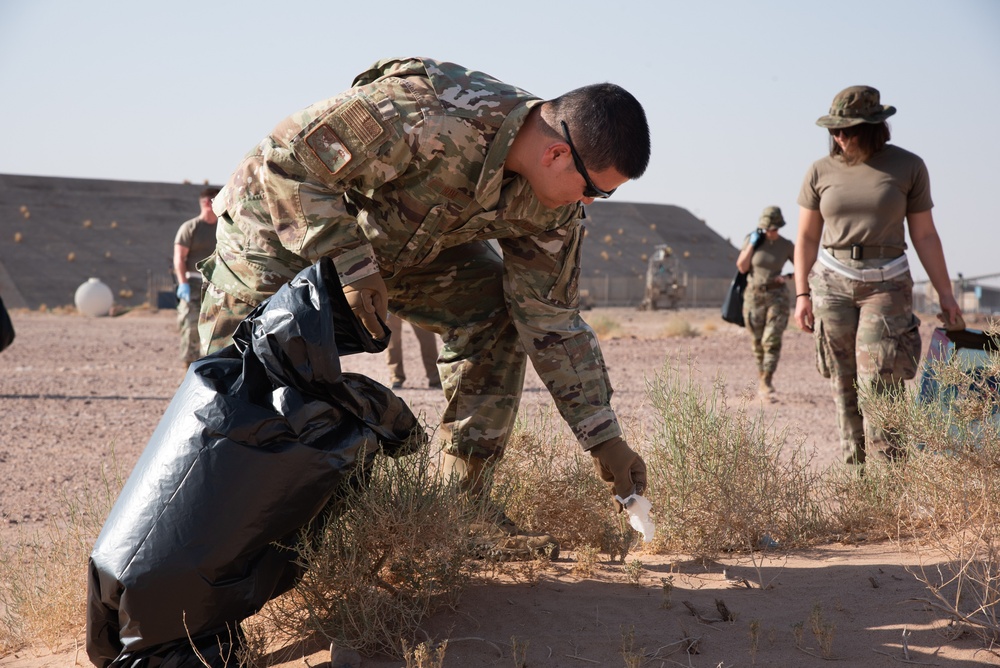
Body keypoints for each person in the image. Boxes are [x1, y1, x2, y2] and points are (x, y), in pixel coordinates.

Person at [197, 57, 650, 547]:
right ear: (557, 154)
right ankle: (204, 537)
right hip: (277, 227)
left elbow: (550, 318)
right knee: (235, 382)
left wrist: (602, 435)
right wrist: (351, 263)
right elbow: (287, 162)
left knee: (496, 318)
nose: (587, 204)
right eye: (593, 191)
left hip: (401, 250)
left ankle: (464, 512)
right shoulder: (425, 113)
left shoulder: (553, 210)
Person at [793, 85, 962, 466]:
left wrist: (946, 294)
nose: (839, 137)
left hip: (887, 284)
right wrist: (802, 295)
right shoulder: (820, 170)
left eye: (848, 130)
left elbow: (925, 234)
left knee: (880, 384)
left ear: (873, 128)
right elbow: (805, 236)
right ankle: (858, 482)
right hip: (832, 283)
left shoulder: (908, 166)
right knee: (844, 384)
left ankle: (890, 485)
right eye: (834, 130)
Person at [736, 206, 794, 401]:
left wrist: (787, 276)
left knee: (771, 340)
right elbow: (742, 267)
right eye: (767, 227)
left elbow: (804, 267)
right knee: (757, 341)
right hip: (754, 296)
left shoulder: (786, 245)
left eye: (774, 228)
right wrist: (752, 245)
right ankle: (762, 377)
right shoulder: (753, 241)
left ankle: (767, 381)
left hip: (777, 297)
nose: (770, 231)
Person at [173, 186, 220, 367]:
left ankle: (209, 367)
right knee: (190, 327)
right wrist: (182, 283)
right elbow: (179, 258)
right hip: (192, 283)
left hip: (217, 284)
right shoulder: (190, 228)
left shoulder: (224, 227)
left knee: (215, 329)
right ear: (208, 203)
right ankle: (188, 370)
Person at [385, 312, 442, 390]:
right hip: (391, 302)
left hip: (414, 301)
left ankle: (435, 378)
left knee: (426, 336)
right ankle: (396, 377)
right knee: (393, 341)